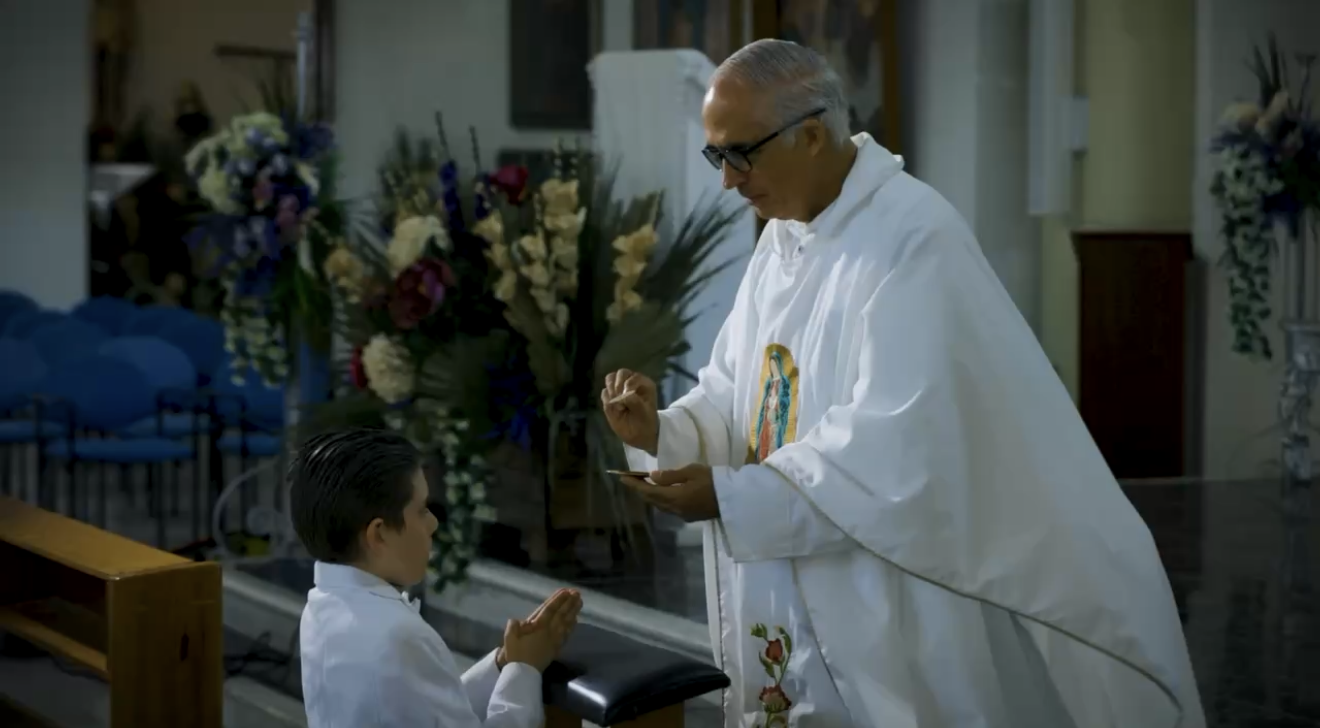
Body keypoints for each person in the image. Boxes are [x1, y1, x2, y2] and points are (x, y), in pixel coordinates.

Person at [602, 39, 1204, 727]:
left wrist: (736, 494)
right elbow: (741, 392)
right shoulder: (783, 241)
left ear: (810, 136)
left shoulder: (915, 238)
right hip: (796, 594)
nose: (728, 182)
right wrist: (667, 431)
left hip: (890, 602)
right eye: (717, 156)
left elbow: (898, 442)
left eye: (740, 153)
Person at [290, 428, 582, 727]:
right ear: (379, 533)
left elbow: (429, 712)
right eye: (421, 510)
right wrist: (524, 669)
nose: (433, 523)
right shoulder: (397, 634)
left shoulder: (321, 606)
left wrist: (502, 664)